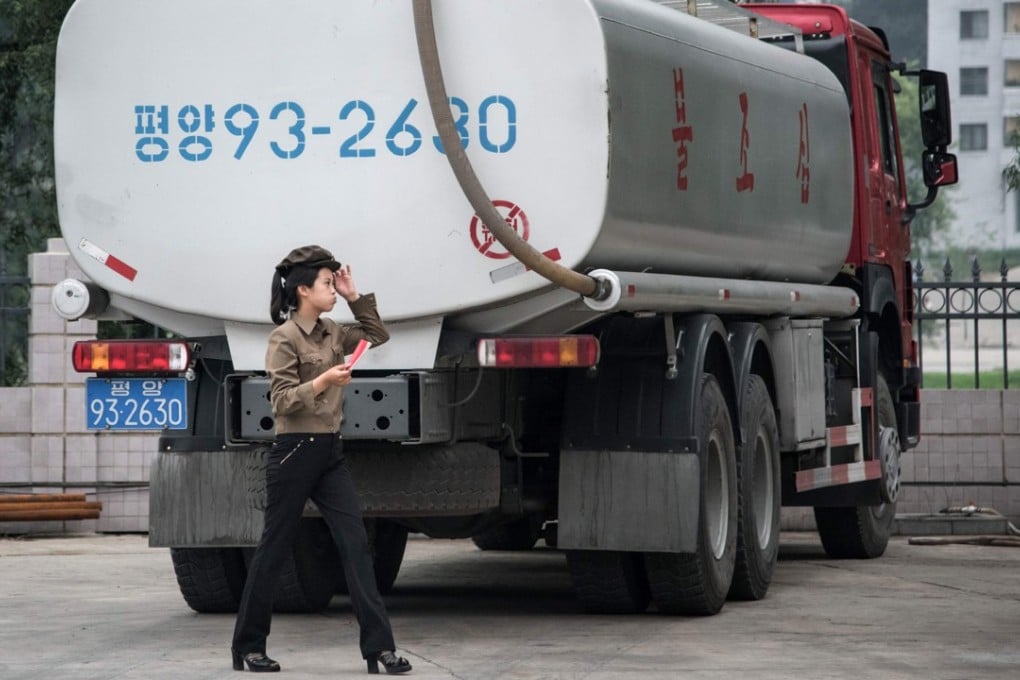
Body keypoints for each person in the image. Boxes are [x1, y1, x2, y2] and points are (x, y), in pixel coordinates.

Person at [231, 245, 411, 675]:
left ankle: (379, 649)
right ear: (303, 290)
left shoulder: (332, 330)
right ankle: (249, 646)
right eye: (328, 284)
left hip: (330, 451)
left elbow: (377, 334)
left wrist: (353, 295)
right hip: (294, 451)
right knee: (274, 550)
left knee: (356, 547)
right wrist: (324, 379)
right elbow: (280, 401)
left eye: (335, 283)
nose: (332, 289)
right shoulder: (284, 339)